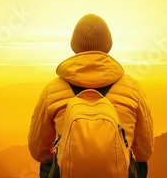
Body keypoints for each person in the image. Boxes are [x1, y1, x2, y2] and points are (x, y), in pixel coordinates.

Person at [28, 14, 154, 178]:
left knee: (46, 163)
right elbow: (145, 152)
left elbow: (38, 151)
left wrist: (62, 153)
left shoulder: (51, 90)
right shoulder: (133, 89)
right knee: (140, 163)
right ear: (108, 45)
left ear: (74, 45)